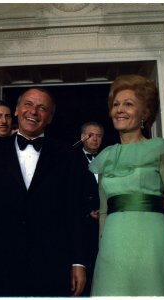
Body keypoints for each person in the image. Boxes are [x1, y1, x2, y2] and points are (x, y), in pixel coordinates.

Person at [0, 87, 87, 296]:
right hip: (2, 260)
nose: (33, 112)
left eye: (42, 108)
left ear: (50, 117)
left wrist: (78, 262)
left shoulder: (68, 155)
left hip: (52, 262)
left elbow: (75, 211)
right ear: (17, 110)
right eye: (28, 104)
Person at [90, 74, 164, 296]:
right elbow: (104, 210)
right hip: (113, 243)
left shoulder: (159, 149)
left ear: (144, 112)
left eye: (129, 104)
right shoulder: (106, 156)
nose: (120, 109)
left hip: (153, 240)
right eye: (116, 104)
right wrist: (102, 248)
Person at [73, 121, 104, 296]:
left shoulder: (108, 158)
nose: (95, 139)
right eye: (91, 134)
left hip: (105, 224)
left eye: (99, 135)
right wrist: (87, 212)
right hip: (82, 224)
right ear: (82, 137)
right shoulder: (71, 158)